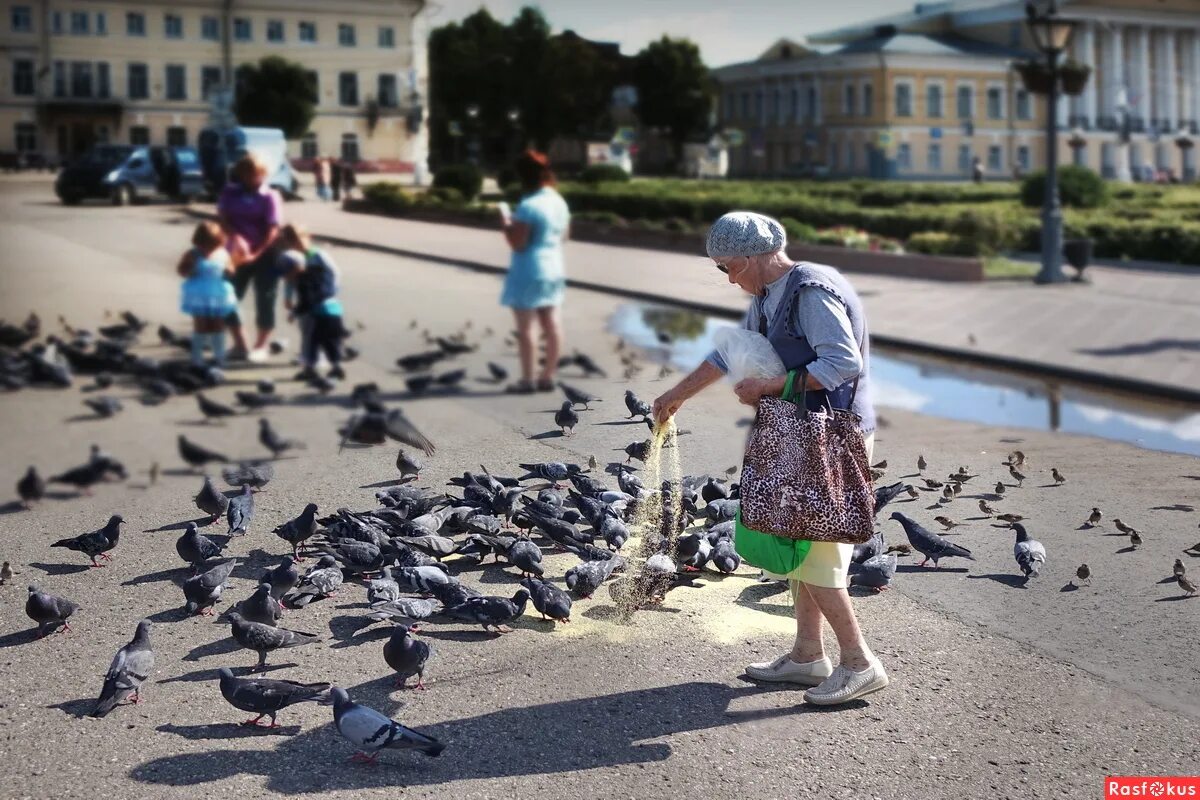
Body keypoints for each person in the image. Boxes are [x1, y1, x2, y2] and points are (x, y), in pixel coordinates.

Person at [651, 211, 886, 707]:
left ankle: (859, 662)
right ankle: (806, 655)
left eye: (727, 267)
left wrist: (768, 386)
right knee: (797, 545)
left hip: (832, 438)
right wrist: (675, 395)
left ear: (757, 256)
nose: (726, 277)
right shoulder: (767, 295)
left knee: (817, 556)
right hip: (798, 433)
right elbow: (730, 353)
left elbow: (843, 363)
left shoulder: (811, 292)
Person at [499, 149, 570, 393]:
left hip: (529, 268)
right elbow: (565, 236)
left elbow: (518, 242)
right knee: (552, 324)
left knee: (527, 327)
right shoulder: (559, 202)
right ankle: (548, 376)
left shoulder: (528, 206)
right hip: (554, 265)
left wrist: (506, 224)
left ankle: (528, 380)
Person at [217, 152, 284, 362]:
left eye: (256, 174)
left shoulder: (270, 196)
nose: (251, 179)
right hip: (236, 253)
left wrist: (256, 253)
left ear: (263, 174)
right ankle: (240, 344)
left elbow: (273, 229)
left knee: (266, 298)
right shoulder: (230, 192)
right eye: (247, 174)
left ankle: (261, 345)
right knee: (227, 297)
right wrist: (236, 237)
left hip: (266, 253)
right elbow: (223, 218)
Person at [278, 224, 347, 381]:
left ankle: (311, 366)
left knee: (315, 338)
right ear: (288, 243)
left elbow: (335, 272)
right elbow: (289, 280)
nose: (299, 244)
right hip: (317, 304)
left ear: (308, 237)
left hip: (317, 304)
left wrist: (331, 292)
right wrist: (288, 297)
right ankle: (319, 365)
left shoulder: (318, 255)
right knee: (311, 336)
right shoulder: (291, 259)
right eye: (294, 241)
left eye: (301, 239)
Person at [178, 221, 238, 367]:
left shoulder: (222, 253)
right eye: (205, 245)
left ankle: (219, 356)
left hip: (217, 293)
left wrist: (229, 270)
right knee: (201, 325)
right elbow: (181, 270)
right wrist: (189, 270)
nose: (209, 249)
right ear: (198, 242)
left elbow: (231, 268)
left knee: (218, 324)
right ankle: (197, 358)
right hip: (199, 294)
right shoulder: (192, 254)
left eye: (213, 245)